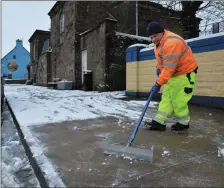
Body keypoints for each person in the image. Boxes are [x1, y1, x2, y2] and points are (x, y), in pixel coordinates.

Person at [144, 22, 198, 132]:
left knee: (179, 100)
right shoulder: (158, 43)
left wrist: (159, 83)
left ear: (162, 33)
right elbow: (161, 61)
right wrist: (159, 69)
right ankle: (159, 122)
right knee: (167, 98)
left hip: (184, 74)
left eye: (155, 36)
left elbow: (169, 68)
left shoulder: (171, 43)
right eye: (151, 37)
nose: (153, 39)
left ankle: (183, 123)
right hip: (173, 74)